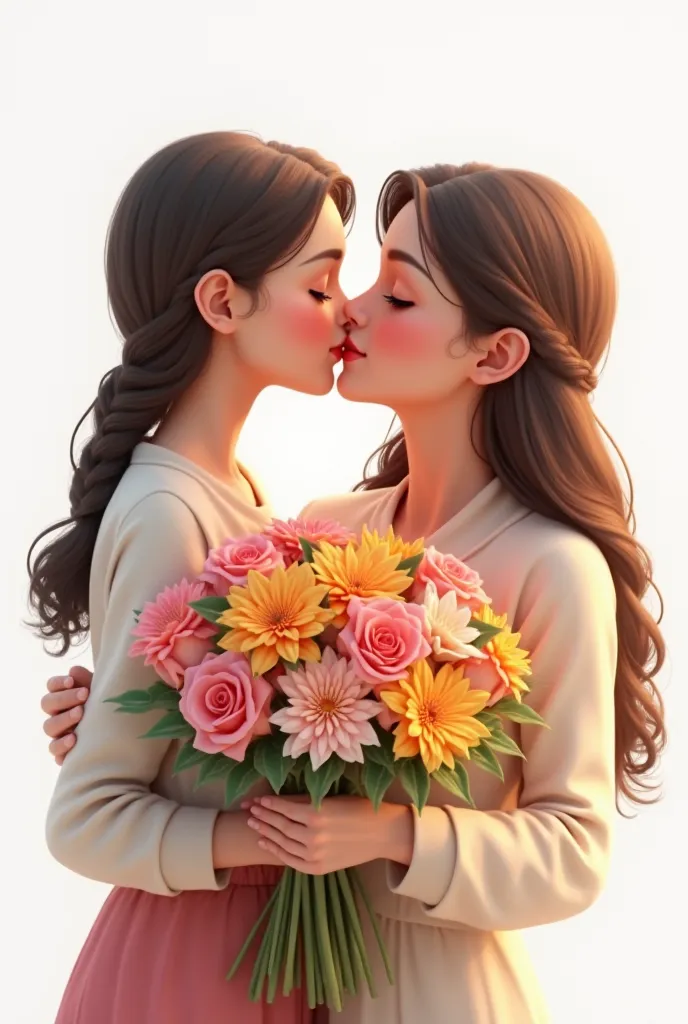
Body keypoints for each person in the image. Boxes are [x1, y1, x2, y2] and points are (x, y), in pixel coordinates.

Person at [41, 162, 666, 1023]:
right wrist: (142, 713)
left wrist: (395, 834)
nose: (354, 310)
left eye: (399, 297)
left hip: (440, 992)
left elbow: (574, 849)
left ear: (495, 352)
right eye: (358, 280)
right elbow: (252, 742)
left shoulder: (552, 566)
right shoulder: (325, 528)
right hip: (281, 983)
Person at [28, 129, 354, 1024]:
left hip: (254, 943)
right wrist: (269, 837)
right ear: (222, 299)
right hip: (193, 965)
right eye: (321, 286)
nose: (347, 313)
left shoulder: (233, 492)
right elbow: (86, 814)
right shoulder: (171, 509)